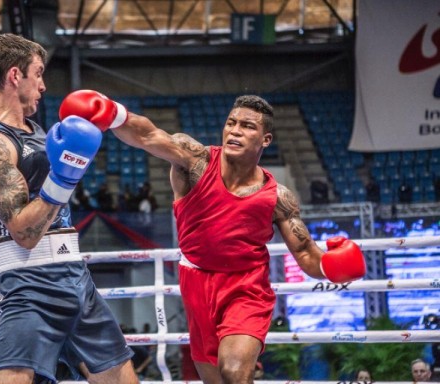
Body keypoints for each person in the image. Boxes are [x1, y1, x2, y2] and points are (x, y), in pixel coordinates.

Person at [59, 90, 367, 384]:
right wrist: (114, 113)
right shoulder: (196, 162)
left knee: (234, 371)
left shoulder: (278, 197)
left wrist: (332, 266)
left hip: (247, 289)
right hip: (197, 285)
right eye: (231, 123)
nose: (234, 131)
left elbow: (306, 255)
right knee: (218, 379)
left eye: (247, 126)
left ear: (266, 139)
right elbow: (148, 135)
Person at [0, 34, 137, 384]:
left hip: (73, 275)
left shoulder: (35, 130)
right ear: (15, 75)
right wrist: (66, 176)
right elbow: (24, 232)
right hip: (28, 283)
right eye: (38, 74)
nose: (43, 86)